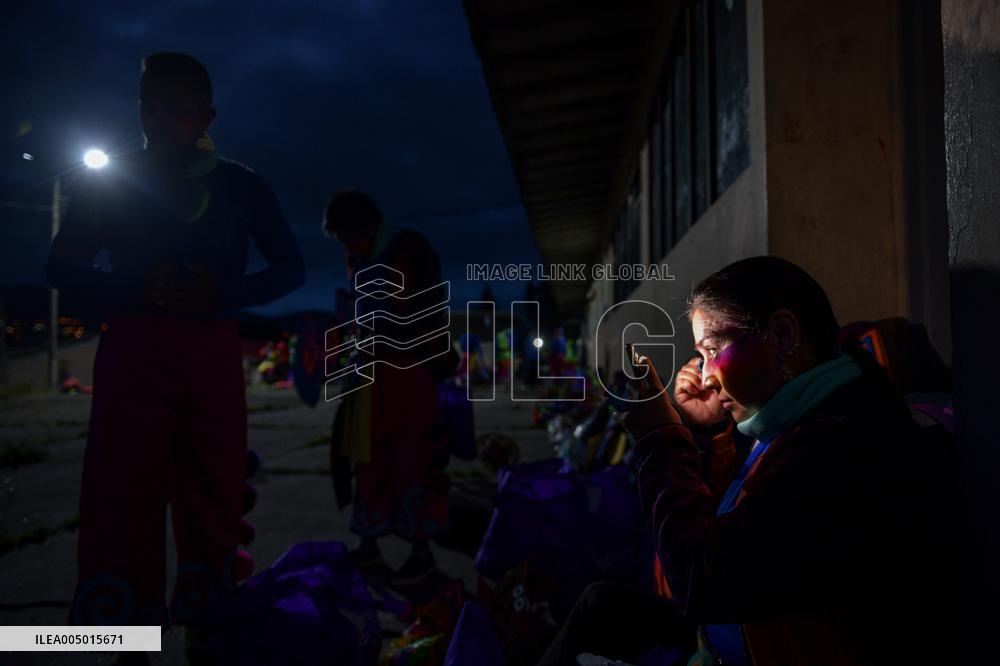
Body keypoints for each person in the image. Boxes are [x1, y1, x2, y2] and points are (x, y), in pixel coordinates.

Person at [540, 256, 952, 665]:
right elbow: (737, 524)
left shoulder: (842, 448)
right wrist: (711, 435)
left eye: (713, 350)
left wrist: (661, 439)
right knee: (601, 605)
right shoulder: (798, 418)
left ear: (783, 334)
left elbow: (700, 584)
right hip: (740, 636)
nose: (703, 376)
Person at [47, 53, 305, 631]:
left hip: (210, 364)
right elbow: (61, 265)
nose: (166, 123)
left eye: (181, 110)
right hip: (132, 363)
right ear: (139, 111)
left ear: (207, 115)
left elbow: (291, 267)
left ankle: (208, 629)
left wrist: (223, 293)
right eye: (153, 108)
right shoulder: (113, 184)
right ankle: (125, 642)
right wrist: (135, 289)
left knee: (213, 497)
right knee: (119, 499)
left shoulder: (243, 187)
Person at [323, 189, 450, 583]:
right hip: (369, 376)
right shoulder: (356, 259)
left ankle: (421, 552)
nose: (350, 247)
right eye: (344, 242)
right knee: (368, 459)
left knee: (414, 460)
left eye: (352, 238)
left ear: (371, 225)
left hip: (410, 371)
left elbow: (430, 311)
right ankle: (368, 544)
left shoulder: (411, 248)